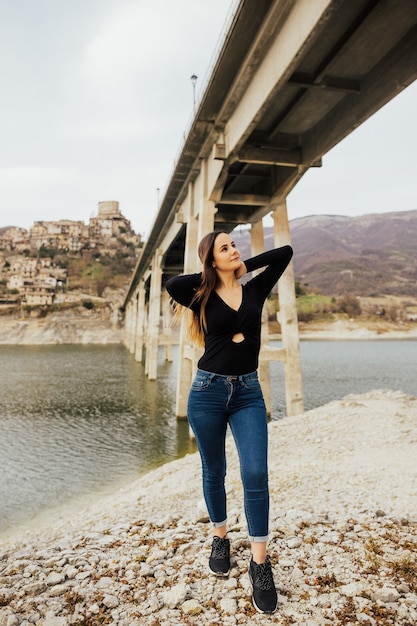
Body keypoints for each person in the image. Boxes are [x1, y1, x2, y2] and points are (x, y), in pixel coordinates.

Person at [166, 230, 293, 614]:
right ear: (210, 260)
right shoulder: (199, 294)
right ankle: (220, 537)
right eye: (225, 248)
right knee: (214, 470)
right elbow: (173, 283)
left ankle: (259, 563)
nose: (235, 250)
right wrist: (216, 272)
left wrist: (238, 268)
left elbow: (284, 253)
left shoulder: (254, 290)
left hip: (248, 393)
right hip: (207, 392)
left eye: (234, 245)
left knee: (255, 473)